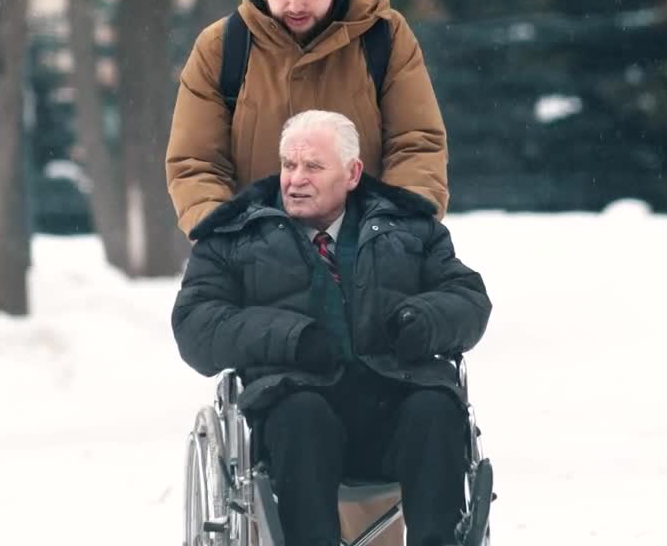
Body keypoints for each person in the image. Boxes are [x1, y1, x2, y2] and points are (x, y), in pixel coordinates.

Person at [172, 110, 491, 546]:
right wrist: (291, 338)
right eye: (288, 164)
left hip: (393, 402)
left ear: (353, 173)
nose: (295, 179)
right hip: (298, 411)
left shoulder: (411, 228)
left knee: (436, 408)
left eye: (313, 166)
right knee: (302, 417)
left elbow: (468, 298)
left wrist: (422, 321)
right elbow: (196, 325)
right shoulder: (233, 237)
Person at [165, 0, 448, 238]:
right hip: (254, 267)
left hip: (368, 259)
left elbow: (416, 144)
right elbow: (195, 163)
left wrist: (398, 231)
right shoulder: (220, 48)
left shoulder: (386, 36)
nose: (296, 4)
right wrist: (234, 238)